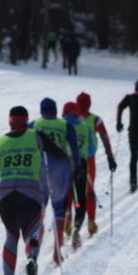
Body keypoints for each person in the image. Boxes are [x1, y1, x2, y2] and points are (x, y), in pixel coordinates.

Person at [0, 105, 67, 275]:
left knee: (11, 235)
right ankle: (31, 259)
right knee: (33, 231)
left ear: (10, 121)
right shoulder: (37, 136)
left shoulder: (0, 142)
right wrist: (64, 174)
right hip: (30, 192)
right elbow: (59, 155)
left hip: (4, 195)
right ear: (26, 120)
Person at [33, 96, 81, 264]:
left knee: (40, 207)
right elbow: (74, 150)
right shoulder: (65, 125)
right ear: (55, 110)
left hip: (40, 169)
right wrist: (77, 168)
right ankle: (56, 251)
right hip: (60, 169)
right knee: (59, 209)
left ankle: (34, 248)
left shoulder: (34, 124)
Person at [75, 91, 118, 236]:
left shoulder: (71, 119)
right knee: (88, 190)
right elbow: (105, 138)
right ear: (89, 104)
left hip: (72, 160)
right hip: (89, 160)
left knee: (72, 190)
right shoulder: (95, 120)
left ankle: (69, 216)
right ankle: (91, 222)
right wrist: (110, 157)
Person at [62, 101, 91, 247]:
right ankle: (76, 228)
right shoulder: (85, 127)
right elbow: (92, 147)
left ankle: (66, 214)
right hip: (81, 163)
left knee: (64, 194)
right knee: (80, 198)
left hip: (63, 163)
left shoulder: (61, 125)